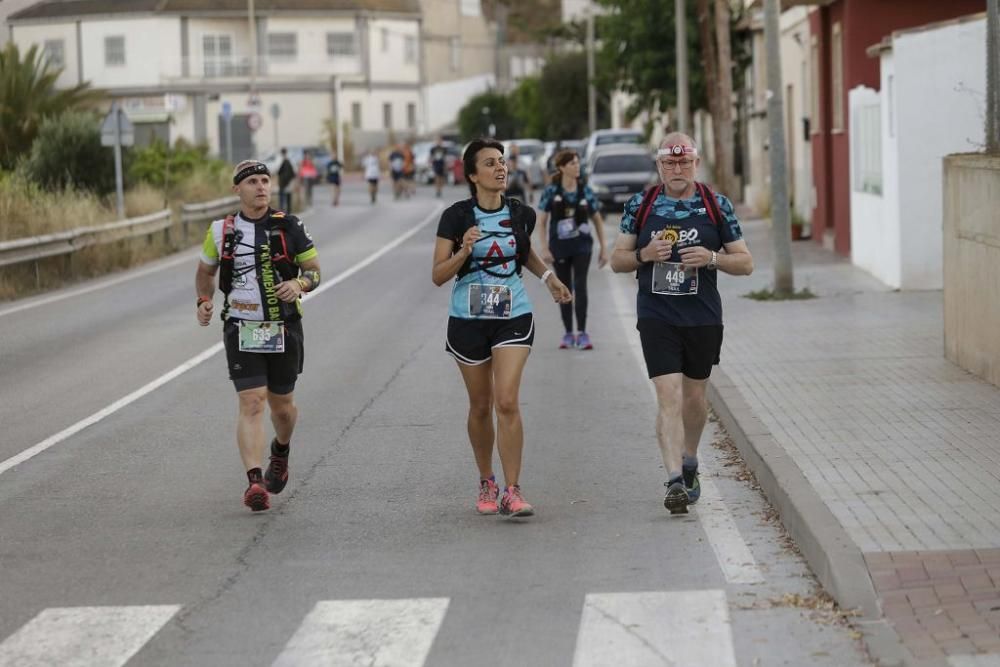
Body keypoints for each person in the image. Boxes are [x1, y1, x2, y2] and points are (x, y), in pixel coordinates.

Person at [609, 133, 753, 514]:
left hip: (702, 316)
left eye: (684, 162)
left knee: (694, 397)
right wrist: (643, 253)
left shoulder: (715, 205)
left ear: (696, 163)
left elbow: (746, 263)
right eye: (669, 163)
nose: (677, 169)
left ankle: (689, 459)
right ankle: (674, 479)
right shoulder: (641, 205)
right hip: (657, 315)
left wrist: (711, 258)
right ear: (659, 166)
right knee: (668, 394)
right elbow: (617, 259)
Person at [432, 139, 572, 519]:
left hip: (513, 314)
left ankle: (512, 489)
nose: (501, 169)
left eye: (503, 162)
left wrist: (549, 278)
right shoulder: (456, 217)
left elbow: (524, 251)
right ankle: (486, 481)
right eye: (490, 163)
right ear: (473, 175)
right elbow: (438, 275)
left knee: (506, 400)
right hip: (467, 318)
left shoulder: (520, 212)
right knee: (480, 406)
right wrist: (463, 250)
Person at [195, 160, 322, 512]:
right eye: (253, 181)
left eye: (265, 180)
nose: (262, 187)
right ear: (238, 189)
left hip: (284, 326)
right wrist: (204, 300)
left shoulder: (290, 225)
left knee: (282, 409)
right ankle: (254, 482)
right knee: (252, 401)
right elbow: (205, 272)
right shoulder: (220, 230)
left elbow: (314, 272)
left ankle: (280, 451)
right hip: (241, 326)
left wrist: (298, 283)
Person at [537, 149, 608, 350]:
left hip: (582, 245)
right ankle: (568, 332)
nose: (577, 166)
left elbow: (597, 220)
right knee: (564, 286)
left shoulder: (585, 190)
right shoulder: (552, 191)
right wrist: (544, 248)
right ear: (562, 167)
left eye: (578, 162)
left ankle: (583, 333)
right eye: (572, 163)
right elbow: (541, 221)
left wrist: (604, 248)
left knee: (581, 285)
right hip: (559, 246)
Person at [277, 148, 296, 212]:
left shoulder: (285, 161)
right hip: (286, 182)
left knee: (283, 198)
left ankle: (284, 210)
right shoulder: (286, 161)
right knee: (286, 197)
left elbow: (280, 172)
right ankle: (287, 210)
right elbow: (293, 173)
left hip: (284, 182)